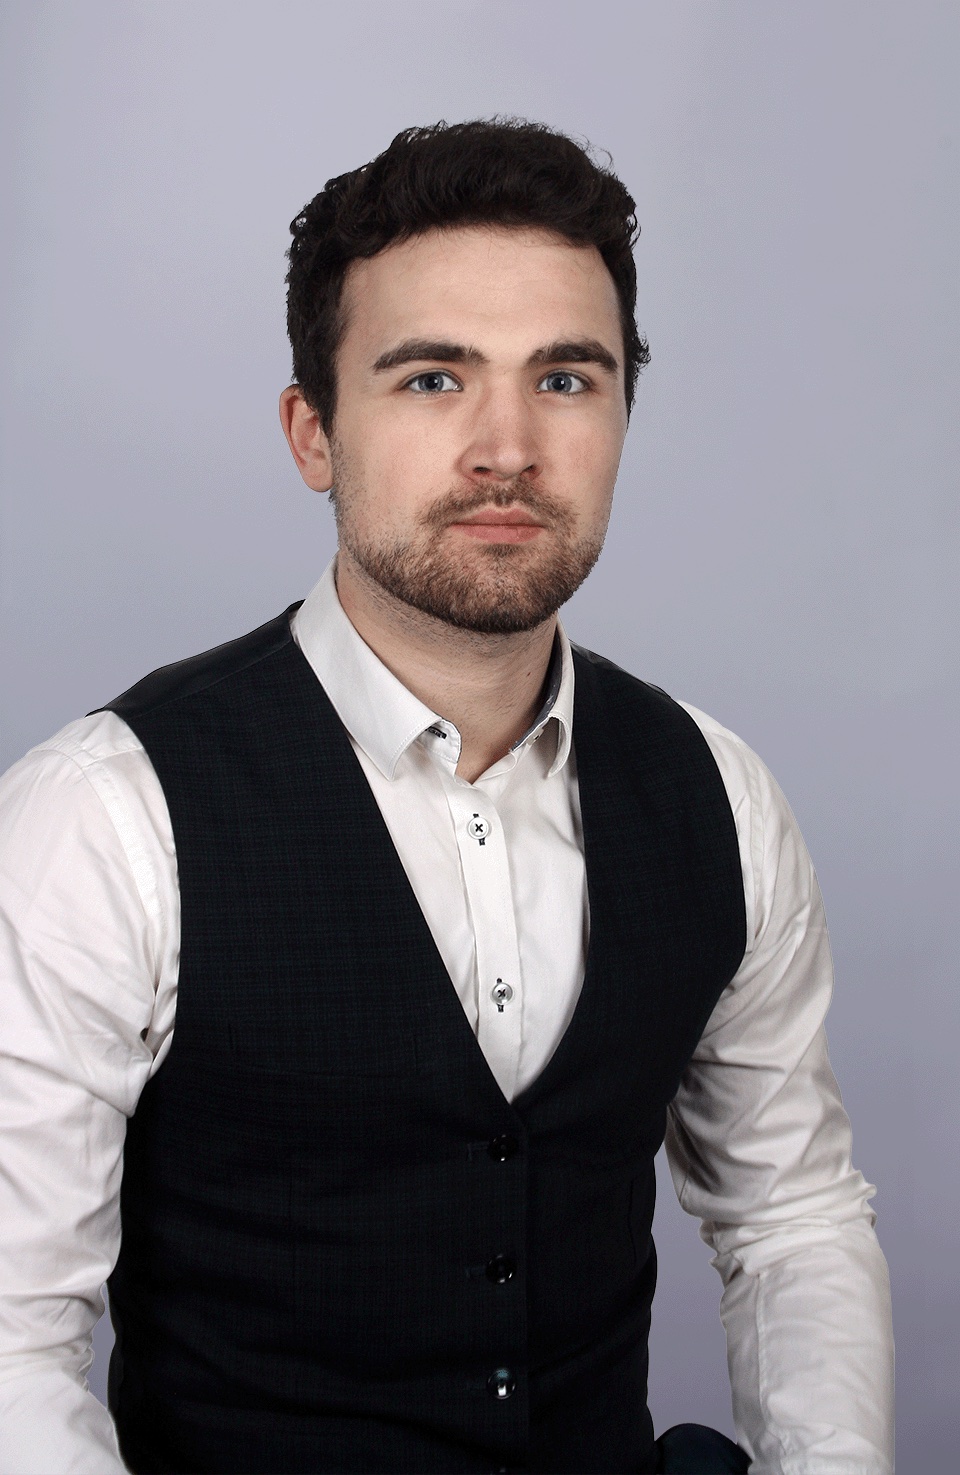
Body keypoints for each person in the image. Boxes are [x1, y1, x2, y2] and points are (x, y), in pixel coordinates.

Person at [0, 119, 894, 1475]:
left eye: (566, 379)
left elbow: (793, 1217)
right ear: (314, 432)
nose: (507, 448)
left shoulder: (719, 798)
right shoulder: (104, 818)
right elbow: (14, 1331)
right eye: (432, 378)